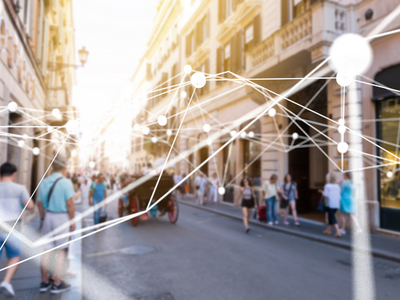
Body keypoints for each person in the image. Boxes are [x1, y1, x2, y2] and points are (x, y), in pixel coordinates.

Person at [37, 155, 75, 294]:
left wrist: (43, 218)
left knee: (46, 250)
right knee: (60, 252)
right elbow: (70, 204)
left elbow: (39, 203)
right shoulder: (66, 182)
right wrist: (72, 220)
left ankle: (44, 282)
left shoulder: (45, 181)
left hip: (48, 216)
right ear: (65, 166)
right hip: (61, 218)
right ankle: (57, 284)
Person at [0, 163, 34, 297]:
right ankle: (6, 282)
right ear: (14, 174)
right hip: (12, 228)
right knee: (14, 256)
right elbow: (30, 206)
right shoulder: (19, 188)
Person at [319, 172, 341, 237]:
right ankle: (328, 230)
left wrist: (321, 192)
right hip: (336, 204)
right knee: (330, 217)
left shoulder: (327, 186)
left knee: (332, 218)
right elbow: (339, 196)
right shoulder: (337, 186)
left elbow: (326, 195)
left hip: (330, 204)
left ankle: (338, 231)